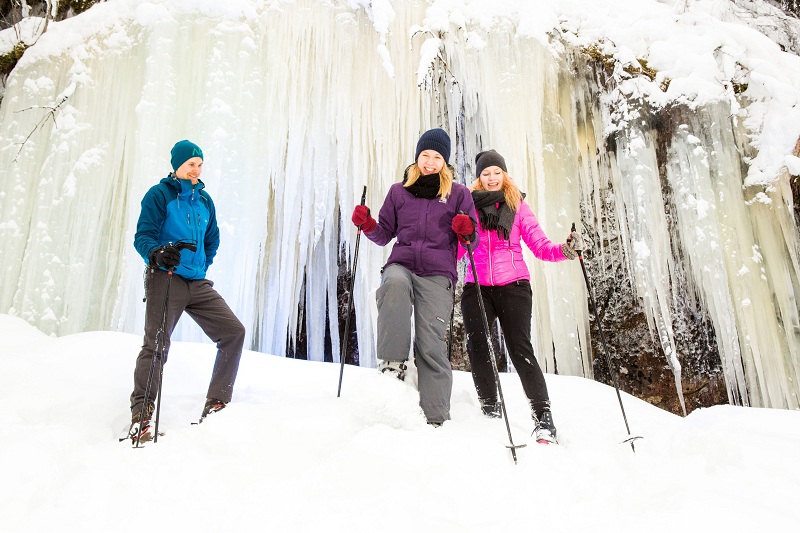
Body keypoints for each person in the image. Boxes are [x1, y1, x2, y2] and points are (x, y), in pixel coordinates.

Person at [351, 128, 479, 426]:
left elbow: (470, 241)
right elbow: (384, 234)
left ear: (445, 162)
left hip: (437, 274)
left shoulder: (458, 194)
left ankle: (436, 417)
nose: (430, 162)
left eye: (437, 157)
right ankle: (392, 365)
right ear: (417, 157)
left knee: (431, 344)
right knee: (393, 283)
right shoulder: (399, 191)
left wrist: (466, 229)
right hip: (403, 264)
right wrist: (367, 223)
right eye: (425, 155)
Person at [126, 140, 246, 443]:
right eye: (191, 163)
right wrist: (157, 253)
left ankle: (216, 403)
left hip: (196, 281)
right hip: (165, 277)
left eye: (200, 164)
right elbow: (144, 235)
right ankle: (141, 416)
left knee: (233, 331)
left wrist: (202, 262)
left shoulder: (205, 201)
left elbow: (212, 238)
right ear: (177, 165)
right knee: (156, 343)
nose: (196, 169)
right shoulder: (159, 195)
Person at [460, 149, 579, 444]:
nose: (491, 178)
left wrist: (565, 250)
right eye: (485, 174)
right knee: (478, 343)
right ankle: (489, 407)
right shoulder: (468, 207)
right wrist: (460, 235)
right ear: (478, 178)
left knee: (519, 349)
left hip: (514, 285)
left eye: (496, 172)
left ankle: (543, 419)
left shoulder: (519, 206)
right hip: (477, 285)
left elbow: (539, 246)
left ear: (504, 174)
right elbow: (460, 252)